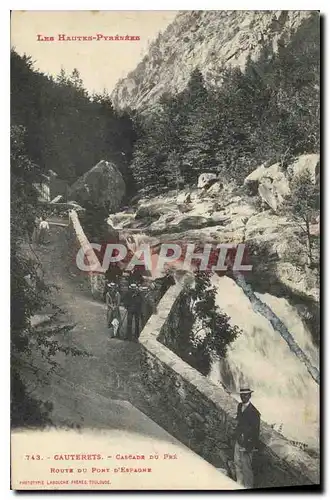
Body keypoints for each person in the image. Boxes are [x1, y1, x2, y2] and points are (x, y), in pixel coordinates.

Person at [233, 387, 260, 488]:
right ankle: (239, 484)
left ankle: (248, 487)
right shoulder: (240, 406)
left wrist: (249, 447)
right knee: (237, 463)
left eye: (246, 395)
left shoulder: (254, 412)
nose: (243, 396)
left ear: (250, 396)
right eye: (242, 395)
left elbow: (256, 432)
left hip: (247, 444)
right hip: (239, 440)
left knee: (246, 468)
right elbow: (239, 420)